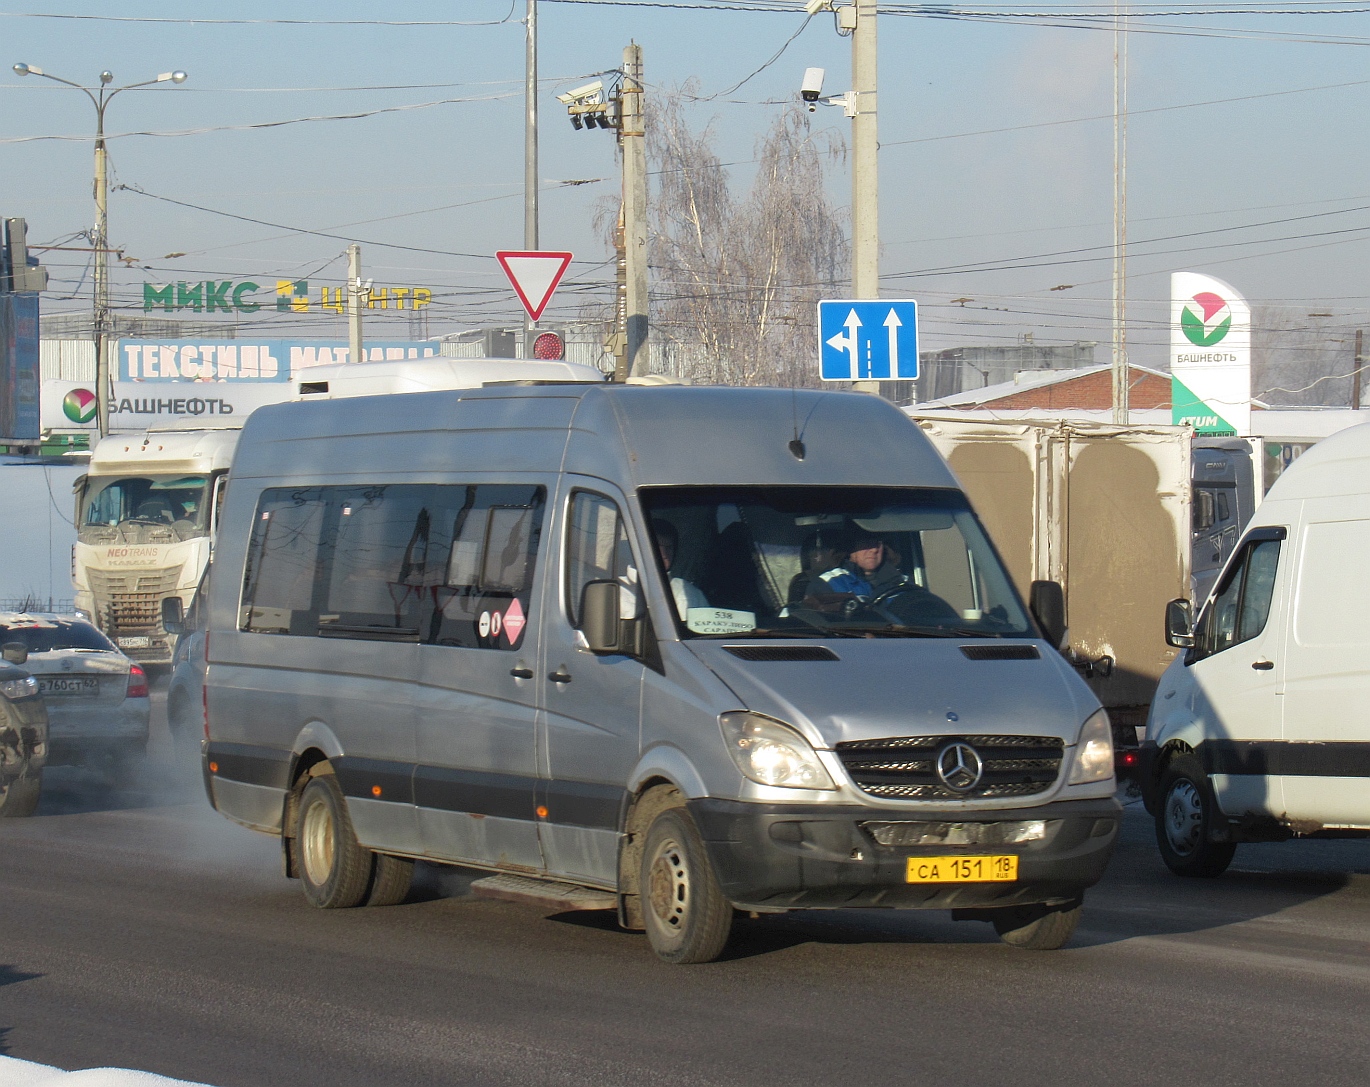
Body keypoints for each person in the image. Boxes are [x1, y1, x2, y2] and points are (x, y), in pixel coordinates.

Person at [653, 519, 708, 618]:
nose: (664, 555)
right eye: (658, 547)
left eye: (669, 548)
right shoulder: (623, 590)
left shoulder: (690, 594)